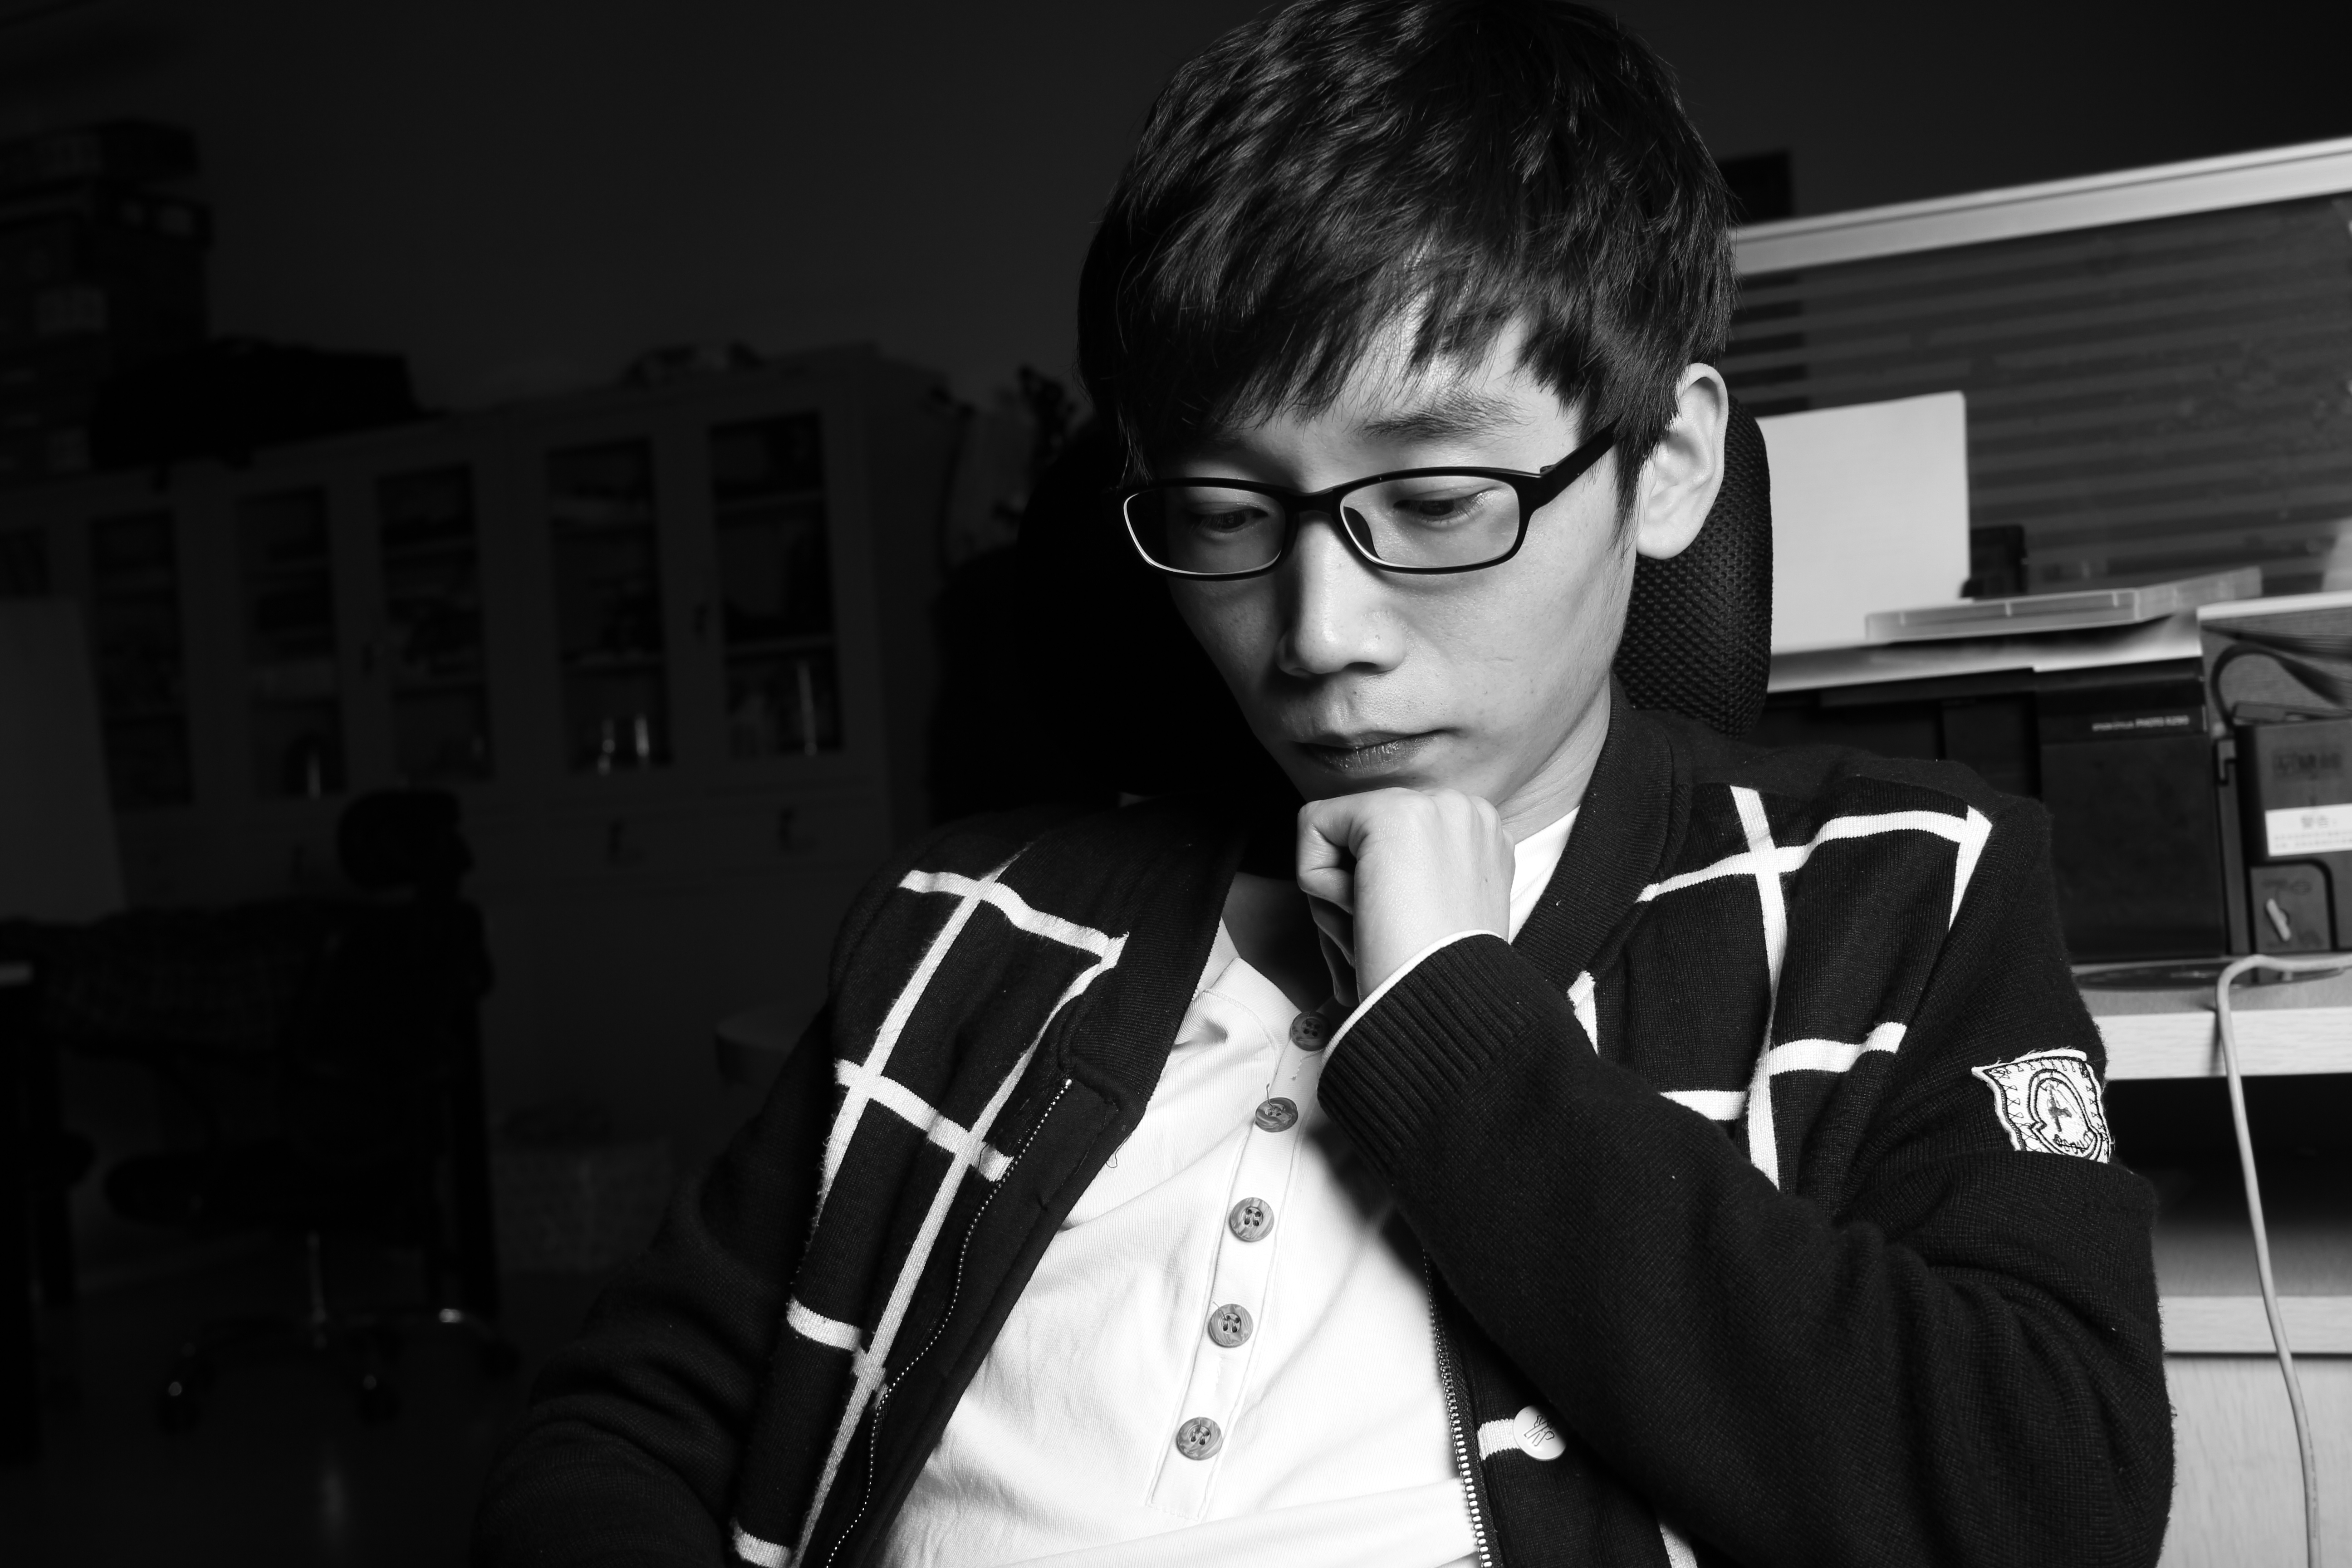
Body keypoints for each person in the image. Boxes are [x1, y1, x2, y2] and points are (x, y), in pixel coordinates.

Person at [474, 3, 2173, 1565]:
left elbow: (2052, 1503)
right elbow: (620, 1428)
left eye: (1434, 501)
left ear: (1667, 464)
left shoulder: (1905, 890)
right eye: (1225, 515)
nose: (1318, 635)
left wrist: (1460, 1042)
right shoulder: (967, 927)